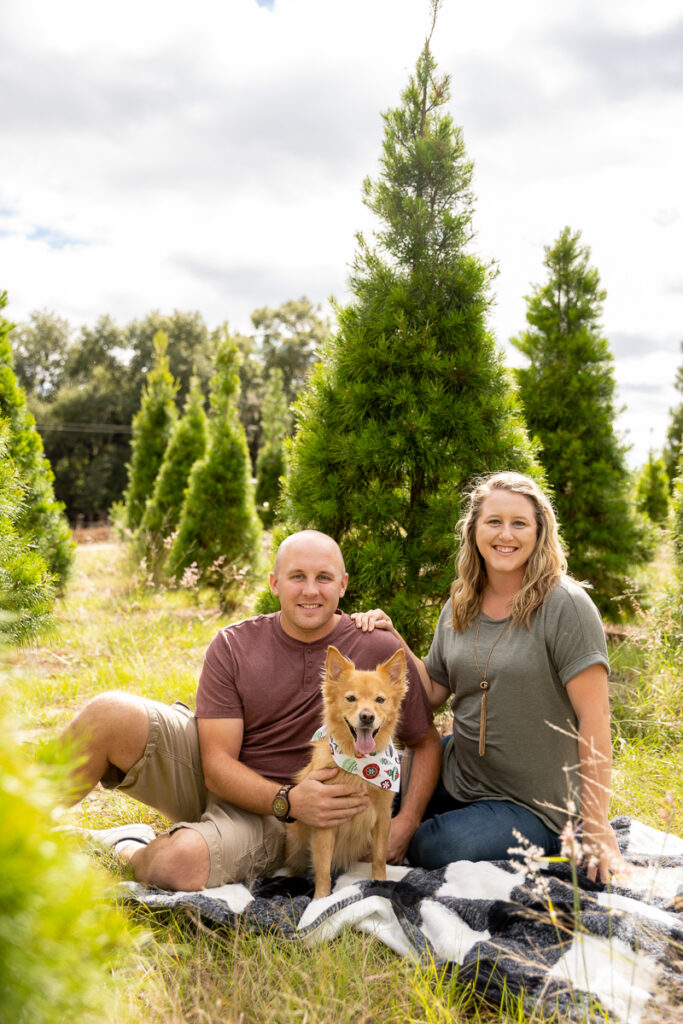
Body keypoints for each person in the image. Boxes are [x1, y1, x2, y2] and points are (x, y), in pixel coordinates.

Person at [64, 529, 442, 891]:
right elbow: (215, 765)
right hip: (231, 778)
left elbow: (425, 741)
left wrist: (405, 823)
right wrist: (289, 798)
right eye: (297, 577)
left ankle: (129, 845)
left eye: (323, 578)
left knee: (175, 864)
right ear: (275, 583)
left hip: (281, 821)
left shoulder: (372, 645)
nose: (310, 590)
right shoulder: (234, 643)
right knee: (107, 713)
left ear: (342, 584)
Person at [353, 472, 628, 884]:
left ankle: (538, 836)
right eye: (493, 521)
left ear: (540, 532)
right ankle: (444, 817)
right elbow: (430, 692)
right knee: (367, 802)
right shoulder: (460, 603)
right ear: (474, 530)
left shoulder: (565, 605)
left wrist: (597, 822)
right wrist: (395, 641)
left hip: (536, 802)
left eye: (520, 523)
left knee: (437, 847)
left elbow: (595, 717)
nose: (506, 534)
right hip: (458, 771)